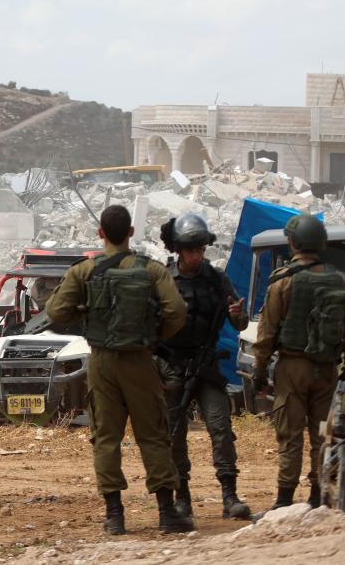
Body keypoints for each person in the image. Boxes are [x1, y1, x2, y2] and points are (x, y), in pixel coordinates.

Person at [46, 204, 194, 535]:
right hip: (140, 360)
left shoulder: (83, 271)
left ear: (100, 233)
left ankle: (115, 515)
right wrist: (154, 336)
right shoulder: (152, 270)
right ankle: (167, 513)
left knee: (106, 438)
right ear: (130, 233)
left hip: (102, 361)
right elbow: (177, 310)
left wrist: (84, 315)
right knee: (153, 434)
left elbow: (55, 311)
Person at [251, 214, 345, 510]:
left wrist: (259, 369)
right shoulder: (338, 281)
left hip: (292, 369)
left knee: (290, 434)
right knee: (322, 434)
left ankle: (284, 501)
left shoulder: (282, 281)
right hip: (327, 370)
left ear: (292, 242)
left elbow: (266, 333)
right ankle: (318, 497)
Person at [158, 213, 251, 520]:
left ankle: (229, 495)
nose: (197, 256)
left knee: (221, 428)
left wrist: (238, 314)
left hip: (206, 365)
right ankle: (182, 496)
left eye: (201, 249)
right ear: (179, 250)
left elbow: (240, 321)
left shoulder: (216, 279)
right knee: (174, 434)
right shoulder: (164, 280)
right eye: (191, 250)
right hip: (173, 366)